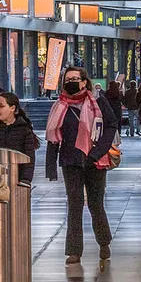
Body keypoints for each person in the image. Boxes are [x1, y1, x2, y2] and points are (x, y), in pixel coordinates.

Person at [45, 66, 117, 264]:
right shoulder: (60, 105)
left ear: (84, 81)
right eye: (68, 79)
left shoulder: (97, 101)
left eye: (75, 78)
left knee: (96, 204)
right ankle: (74, 251)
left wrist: (98, 152)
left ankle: (104, 243)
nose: (71, 82)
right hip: (71, 161)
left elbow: (111, 125)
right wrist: (51, 167)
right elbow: (53, 135)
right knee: (74, 205)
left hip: (95, 160)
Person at [0, 91, 40, 184]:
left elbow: (29, 157)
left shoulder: (24, 129)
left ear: (12, 108)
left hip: (18, 179)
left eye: (1, 106)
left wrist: (26, 179)